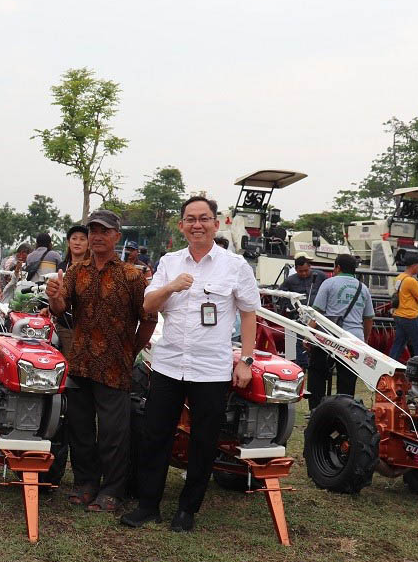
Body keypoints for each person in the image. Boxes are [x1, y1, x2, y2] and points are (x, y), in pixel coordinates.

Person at [123, 196, 260, 533]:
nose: (197, 224)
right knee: (156, 435)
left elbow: (248, 314)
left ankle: (187, 510)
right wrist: (171, 285)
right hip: (169, 364)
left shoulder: (234, 266)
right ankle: (148, 505)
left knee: (204, 439)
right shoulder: (170, 262)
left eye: (204, 218)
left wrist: (245, 360)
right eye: (190, 219)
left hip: (211, 368)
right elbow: (148, 304)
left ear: (217, 223)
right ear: (181, 225)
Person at [45, 211, 156, 513]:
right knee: (80, 429)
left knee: (112, 433)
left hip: (115, 365)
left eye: (104, 231)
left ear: (117, 236)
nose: (96, 236)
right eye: (93, 230)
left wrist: (132, 350)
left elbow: (148, 318)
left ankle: (113, 490)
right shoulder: (76, 271)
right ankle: (85, 484)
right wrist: (53, 295)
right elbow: (59, 309)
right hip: (80, 362)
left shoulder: (132, 276)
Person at [308, 254, 374, 408]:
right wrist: (364, 339)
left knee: (317, 372)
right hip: (353, 339)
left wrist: (308, 336)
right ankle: (344, 411)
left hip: (329, 337)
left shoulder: (329, 283)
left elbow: (316, 313)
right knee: (347, 379)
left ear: (337, 267)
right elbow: (369, 318)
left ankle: (316, 409)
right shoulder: (363, 288)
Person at [279, 256, 328, 366]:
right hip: (300, 315)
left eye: (306, 270)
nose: (304, 273)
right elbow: (281, 295)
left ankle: (319, 364)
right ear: (296, 269)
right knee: (301, 340)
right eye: (301, 271)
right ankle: (302, 365)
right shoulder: (290, 280)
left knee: (320, 339)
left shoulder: (320, 276)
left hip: (318, 315)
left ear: (310, 267)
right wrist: (291, 309)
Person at [53, 224, 89, 353]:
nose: (77, 242)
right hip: (66, 326)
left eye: (82, 239)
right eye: (74, 238)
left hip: (89, 327)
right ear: (68, 242)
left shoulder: (94, 268)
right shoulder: (62, 267)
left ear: (88, 243)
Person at [390, 256, 418, 361]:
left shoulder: (399, 277)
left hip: (399, 314)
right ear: (414, 266)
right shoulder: (411, 281)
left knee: (399, 343)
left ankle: (391, 364)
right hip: (410, 316)